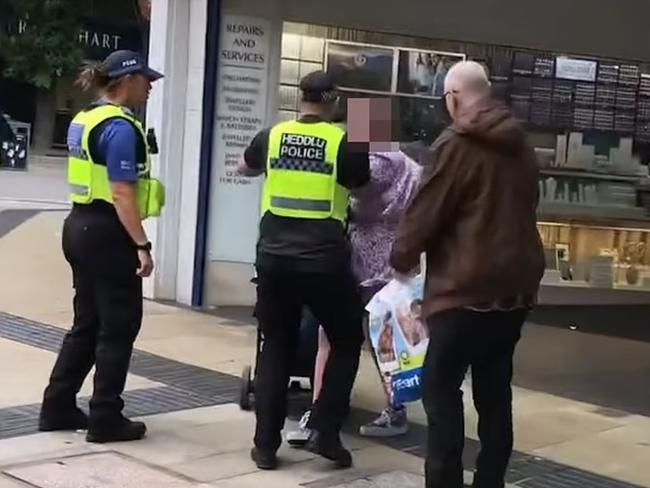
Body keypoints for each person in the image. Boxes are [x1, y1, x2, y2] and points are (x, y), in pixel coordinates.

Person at [390, 61, 545, 488]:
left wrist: (401, 259)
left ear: (452, 97)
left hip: (464, 290)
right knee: (495, 394)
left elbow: (427, 211)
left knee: (441, 392)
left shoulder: (456, 143)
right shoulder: (521, 143)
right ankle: (490, 482)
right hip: (514, 292)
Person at [238, 71, 370, 470]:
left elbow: (244, 168)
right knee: (346, 339)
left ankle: (264, 445)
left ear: (302, 98)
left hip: (275, 259)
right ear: (332, 101)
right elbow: (361, 184)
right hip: (324, 260)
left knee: (275, 344)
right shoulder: (344, 142)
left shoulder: (272, 136)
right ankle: (325, 433)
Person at [38, 50, 165, 444]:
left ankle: (57, 406)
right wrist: (141, 244)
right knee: (118, 327)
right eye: (146, 80)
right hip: (109, 232)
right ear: (126, 80)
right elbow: (122, 192)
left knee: (87, 324)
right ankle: (106, 416)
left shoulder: (85, 118)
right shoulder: (121, 128)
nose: (150, 87)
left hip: (79, 227)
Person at [286, 147, 422, 445]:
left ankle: (319, 409)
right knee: (385, 341)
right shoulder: (411, 170)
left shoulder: (362, 167)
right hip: (395, 264)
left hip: (354, 261)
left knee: (329, 336)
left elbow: (349, 198)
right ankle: (394, 407)